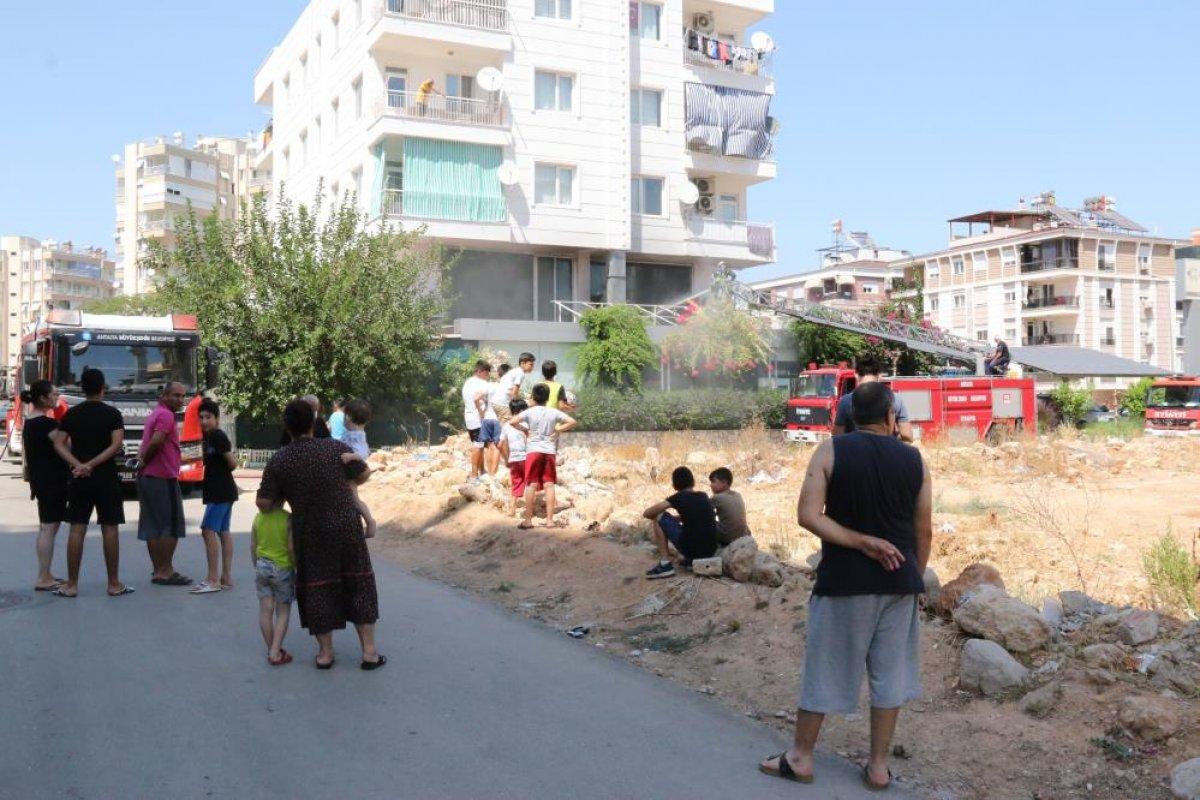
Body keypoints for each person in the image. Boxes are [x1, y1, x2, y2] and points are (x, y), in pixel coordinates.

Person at [759, 381, 932, 791]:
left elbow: (807, 515)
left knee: (826, 667)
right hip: (898, 586)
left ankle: (800, 757)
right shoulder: (916, 460)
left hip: (844, 584)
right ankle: (878, 767)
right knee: (889, 675)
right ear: (892, 417)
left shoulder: (829, 451)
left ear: (852, 417)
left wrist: (859, 541)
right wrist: (913, 576)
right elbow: (922, 528)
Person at [256, 398, 385, 671]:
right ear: (313, 424)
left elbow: (264, 503)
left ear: (287, 426)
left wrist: (284, 495)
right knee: (357, 583)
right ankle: (369, 653)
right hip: (346, 526)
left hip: (310, 531)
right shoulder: (336, 448)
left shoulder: (280, 460)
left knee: (318, 587)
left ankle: (325, 654)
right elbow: (361, 476)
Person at [49, 368, 133, 597]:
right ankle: (114, 584)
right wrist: (93, 464)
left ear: (82, 389)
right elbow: (116, 445)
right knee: (110, 528)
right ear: (103, 388)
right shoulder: (112, 414)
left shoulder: (72, 414)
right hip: (106, 477)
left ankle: (72, 585)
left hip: (79, 479)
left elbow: (58, 443)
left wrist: (78, 464)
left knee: (77, 529)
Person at [138, 381, 191, 587]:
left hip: (148, 477)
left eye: (182, 396)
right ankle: (165, 571)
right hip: (162, 476)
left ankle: (158, 569)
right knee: (170, 526)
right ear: (165, 396)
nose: (181, 400)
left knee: (153, 525)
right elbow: (158, 441)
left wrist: (143, 462)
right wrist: (145, 460)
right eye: (176, 396)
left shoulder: (155, 413)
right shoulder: (167, 415)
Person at [21, 380, 69, 591]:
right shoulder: (45, 424)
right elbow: (66, 445)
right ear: (42, 398)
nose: (57, 396)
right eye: (54, 394)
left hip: (42, 481)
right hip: (52, 481)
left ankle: (46, 573)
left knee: (47, 527)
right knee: (49, 528)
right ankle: (43, 577)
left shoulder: (31, 422)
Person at [510, 383, 576, 529]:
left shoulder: (530, 412)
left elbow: (512, 421)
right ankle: (550, 521)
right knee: (549, 484)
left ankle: (528, 520)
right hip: (549, 451)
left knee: (531, 484)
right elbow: (572, 421)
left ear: (533, 397)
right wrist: (558, 429)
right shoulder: (553, 412)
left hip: (533, 450)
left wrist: (525, 430)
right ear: (547, 398)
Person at [191, 399, 238, 595]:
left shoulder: (217, 436)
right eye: (201, 417)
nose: (204, 421)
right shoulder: (208, 437)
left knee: (207, 530)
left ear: (217, 419)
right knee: (223, 531)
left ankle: (213, 579)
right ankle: (225, 577)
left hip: (221, 491)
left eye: (208, 417)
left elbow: (233, 463)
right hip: (221, 491)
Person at [641, 466, 719, 579]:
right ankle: (690, 561)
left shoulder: (679, 497)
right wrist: (676, 518)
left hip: (692, 550)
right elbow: (694, 516)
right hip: (710, 550)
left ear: (675, 485)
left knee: (658, 516)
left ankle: (665, 564)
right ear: (692, 482)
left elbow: (647, 513)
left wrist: (668, 517)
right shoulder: (703, 495)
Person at [252, 499, 295, 666]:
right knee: (282, 611)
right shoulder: (288, 518)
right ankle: (275, 653)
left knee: (265, 610)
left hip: (262, 566)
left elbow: (253, 545)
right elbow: (291, 548)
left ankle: (272, 648)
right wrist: (295, 566)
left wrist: (256, 565)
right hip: (282, 568)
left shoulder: (258, 518)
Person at [832, 354, 914, 443]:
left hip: (856, 453)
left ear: (856, 374)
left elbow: (837, 437)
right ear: (879, 375)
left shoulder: (845, 401)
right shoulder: (895, 399)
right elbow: (907, 436)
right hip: (886, 452)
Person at [340, 398, 377, 539]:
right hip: (349, 470)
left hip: (351, 472)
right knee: (352, 498)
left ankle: (369, 521)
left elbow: (363, 453)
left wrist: (351, 456)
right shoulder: (353, 433)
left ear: (348, 417)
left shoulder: (356, 435)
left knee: (354, 498)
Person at [461, 360, 492, 483]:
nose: (487, 376)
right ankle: (474, 475)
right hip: (478, 418)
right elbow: (478, 399)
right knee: (478, 446)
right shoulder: (482, 384)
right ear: (480, 371)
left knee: (478, 445)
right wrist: (481, 412)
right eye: (486, 373)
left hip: (469, 417)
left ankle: (482, 471)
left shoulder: (467, 382)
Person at [498, 398, 528, 514]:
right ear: (521, 410)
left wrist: (506, 459)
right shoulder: (526, 424)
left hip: (514, 459)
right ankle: (530, 509)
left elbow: (500, 445)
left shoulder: (506, 426)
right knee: (531, 482)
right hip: (526, 457)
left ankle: (512, 509)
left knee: (516, 483)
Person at [708, 467, 751, 546]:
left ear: (724, 482)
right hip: (743, 536)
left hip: (727, 538)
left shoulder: (717, 497)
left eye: (713, 481)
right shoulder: (737, 495)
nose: (711, 485)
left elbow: (700, 510)